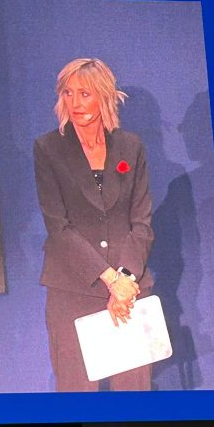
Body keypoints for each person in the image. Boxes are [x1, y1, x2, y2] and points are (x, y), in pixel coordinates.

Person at [33, 58, 155, 392]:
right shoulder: (48, 149)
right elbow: (58, 227)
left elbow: (141, 223)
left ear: (104, 96)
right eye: (68, 93)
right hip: (73, 289)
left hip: (129, 290)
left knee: (133, 395)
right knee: (77, 395)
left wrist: (124, 280)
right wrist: (110, 279)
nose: (75, 103)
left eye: (85, 94)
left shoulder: (131, 146)